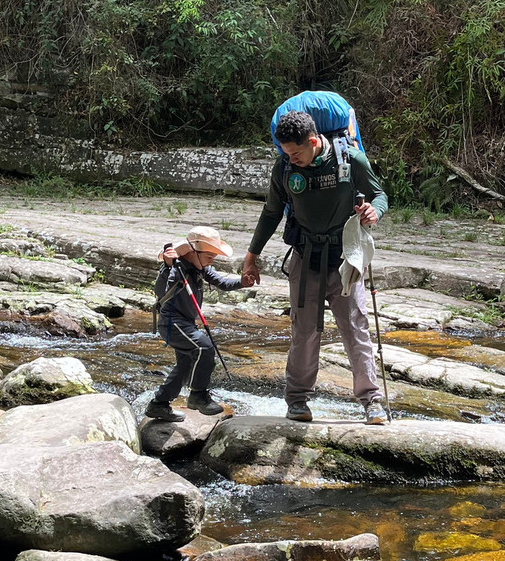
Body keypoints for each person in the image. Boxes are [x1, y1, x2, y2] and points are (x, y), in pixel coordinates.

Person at [242, 109, 389, 425]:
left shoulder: (350, 160)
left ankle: (371, 402)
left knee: (355, 328)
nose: (291, 159)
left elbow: (380, 196)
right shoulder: (284, 168)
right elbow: (271, 213)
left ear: (313, 141)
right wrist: (251, 257)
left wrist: (374, 213)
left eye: (296, 153)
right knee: (304, 331)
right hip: (305, 257)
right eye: (286, 154)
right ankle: (297, 401)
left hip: (347, 258)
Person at [146, 226, 252, 423]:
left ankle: (158, 404)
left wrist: (242, 282)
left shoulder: (201, 268)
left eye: (215, 254)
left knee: (185, 365)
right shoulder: (176, 269)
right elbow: (160, 290)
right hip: (172, 323)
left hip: (185, 323)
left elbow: (222, 282)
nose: (213, 258)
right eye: (209, 254)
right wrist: (167, 266)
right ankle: (198, 396)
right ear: (192, 252)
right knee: (204, 347)